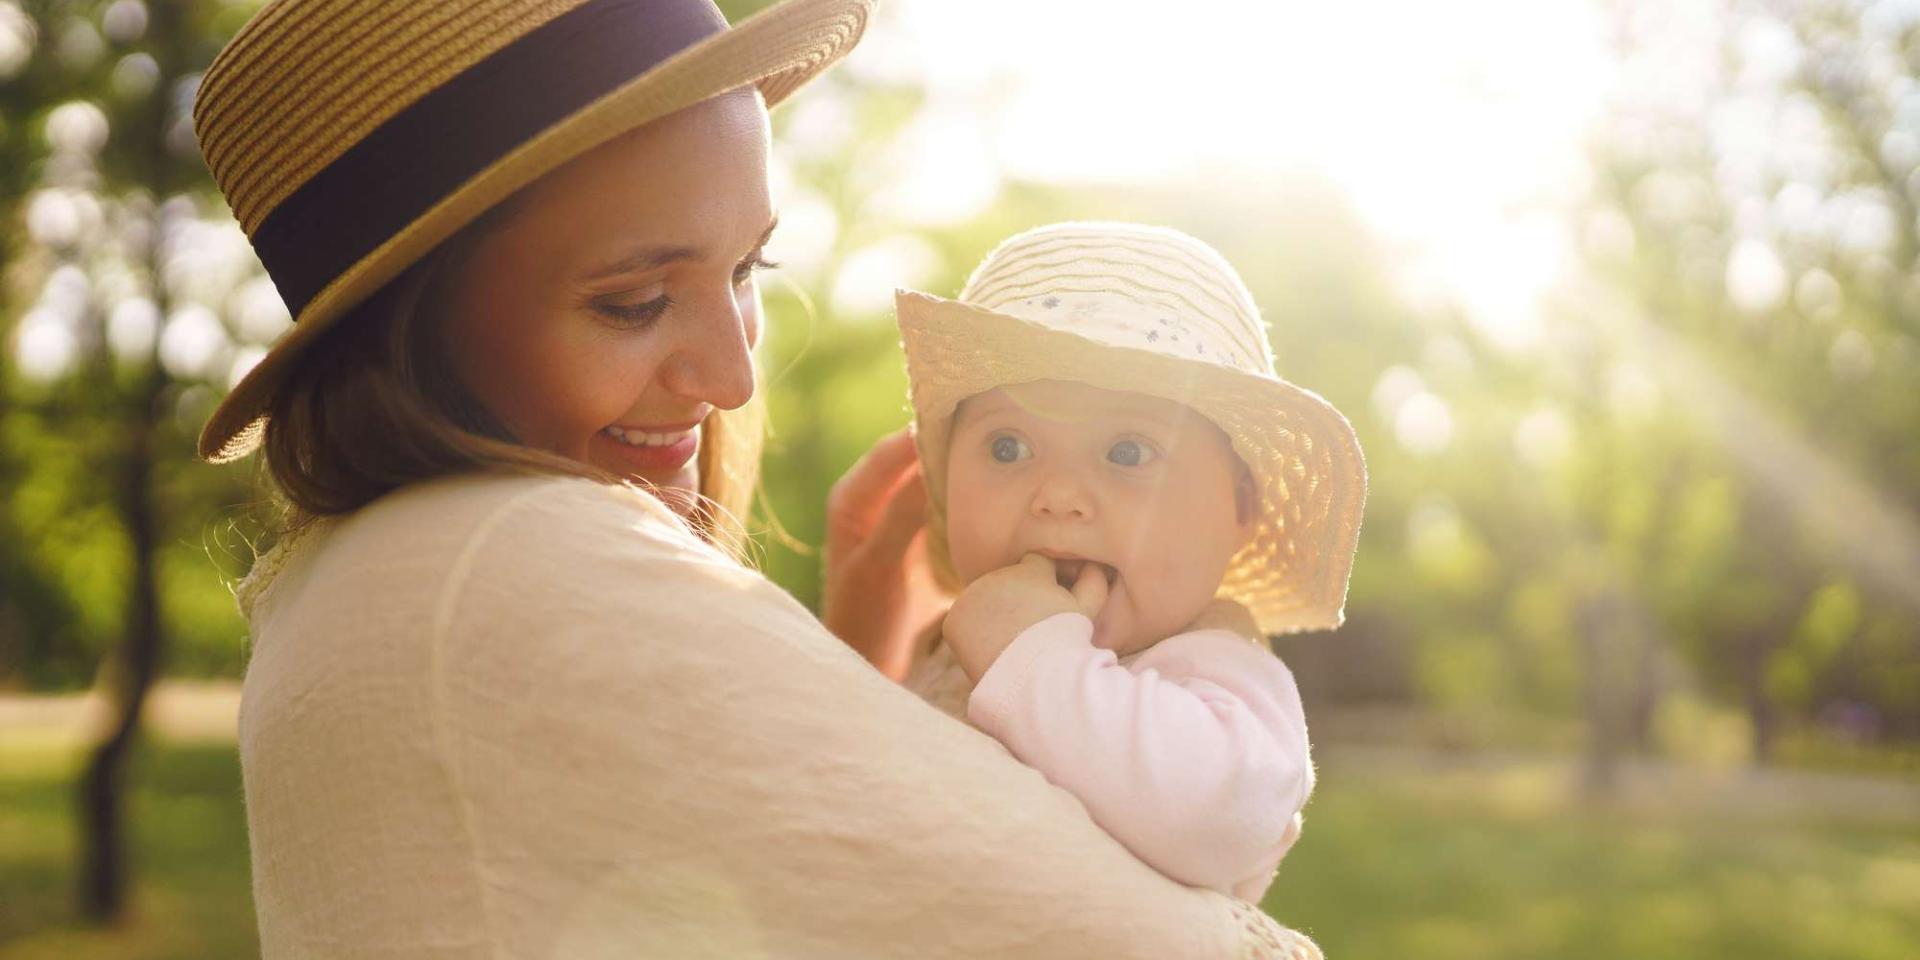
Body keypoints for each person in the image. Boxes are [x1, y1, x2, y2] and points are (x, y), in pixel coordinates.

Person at [194, 0, 1324, 956]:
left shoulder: (350, 584)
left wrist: (842, 681)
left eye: (747, 269)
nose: (735, 378)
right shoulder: (507, 559)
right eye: (633, 302)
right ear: (409, 333)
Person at [890, 222, 1369, 904]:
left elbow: (1215, 819)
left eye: (1128, 453)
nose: (1057, 496)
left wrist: (1033, 658)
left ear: (1239, 511)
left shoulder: (1218, 671)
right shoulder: (946, 651)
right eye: (1006, 447)